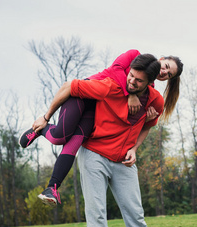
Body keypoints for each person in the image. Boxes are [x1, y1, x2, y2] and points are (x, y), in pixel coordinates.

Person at [34, 53, 180, 227]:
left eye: (138, 81)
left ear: (151, 82)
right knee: (97, 217)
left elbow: (148, 126)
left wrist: (134, 148)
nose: (132, 81)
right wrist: (46, 116)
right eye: (131, 77)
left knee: (136, 218)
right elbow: (70, 86)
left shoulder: (155, 102)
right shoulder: (109, 86)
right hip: (94, 156)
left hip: (124, 162)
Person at [19, 49, 183, 206]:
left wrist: (143, 117)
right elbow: (116, 69)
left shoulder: (148, 91)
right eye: (166, 67)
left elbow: (134, 119)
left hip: (97, 108)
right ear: (162, 59)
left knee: (75, 141)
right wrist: (45, 117)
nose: (164, 73)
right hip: (85, 93)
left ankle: (52, 188)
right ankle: (41, 128)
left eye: (169, 75)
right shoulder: (134, 59)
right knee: (59, 137)